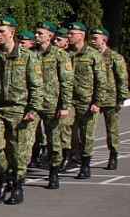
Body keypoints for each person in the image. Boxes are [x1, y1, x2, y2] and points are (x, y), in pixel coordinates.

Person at [0, 17, 43, 207]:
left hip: (20, 109)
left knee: (18, 151)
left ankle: (17, 185)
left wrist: (33, 109)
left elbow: (36, 85)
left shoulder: (27, 57)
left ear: (12, 33)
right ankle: (3, 177)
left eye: (2, 31)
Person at [34, 20, 73, 188]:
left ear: (50, 36)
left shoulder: (60, 55)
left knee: (54, 141)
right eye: (36, 33)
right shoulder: (30, 54)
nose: (36, 36)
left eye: (40, 33)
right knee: (27, 139)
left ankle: (54, 171)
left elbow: (66, 81)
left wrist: (64, 106)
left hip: (52, 104)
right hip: (34, 105)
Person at [66, 22, 105, 179]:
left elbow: (101, 80)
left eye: (72, 34)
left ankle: (86, 164)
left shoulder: (93, 55)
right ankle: (72, 156)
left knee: (87, 135)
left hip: (87, 101)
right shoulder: (66, 54)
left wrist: (98, 102)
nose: (69, 36)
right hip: (70, 101)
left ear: (81, 36)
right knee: (68, 131)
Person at [90, 27, 128, 170]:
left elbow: (122, 78)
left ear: (104, 40)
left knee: (112, 130)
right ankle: (83, 156)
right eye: (92, 38)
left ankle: (113, 155)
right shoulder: (91, 56)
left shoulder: (114, 57)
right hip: (94, 99)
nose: (93, 41)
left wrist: (121, 98)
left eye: (96, 39)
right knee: (88, 130)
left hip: (110, 98)